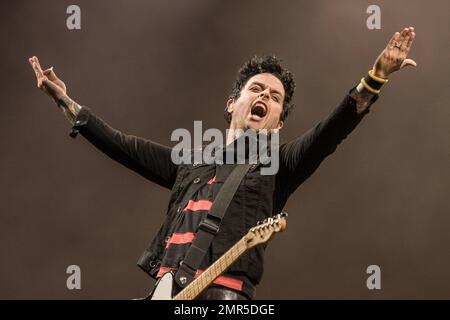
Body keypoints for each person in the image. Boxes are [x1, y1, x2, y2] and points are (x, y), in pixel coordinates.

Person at [29, 27, 416, 300]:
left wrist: (375, 78)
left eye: (275, 96)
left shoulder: (277, 165)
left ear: (278, 123)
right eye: (256, 89)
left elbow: (332, 131)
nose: (265, 95)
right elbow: (122, 145)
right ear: (233, 103)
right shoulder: (190, 162)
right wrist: (66, 102)